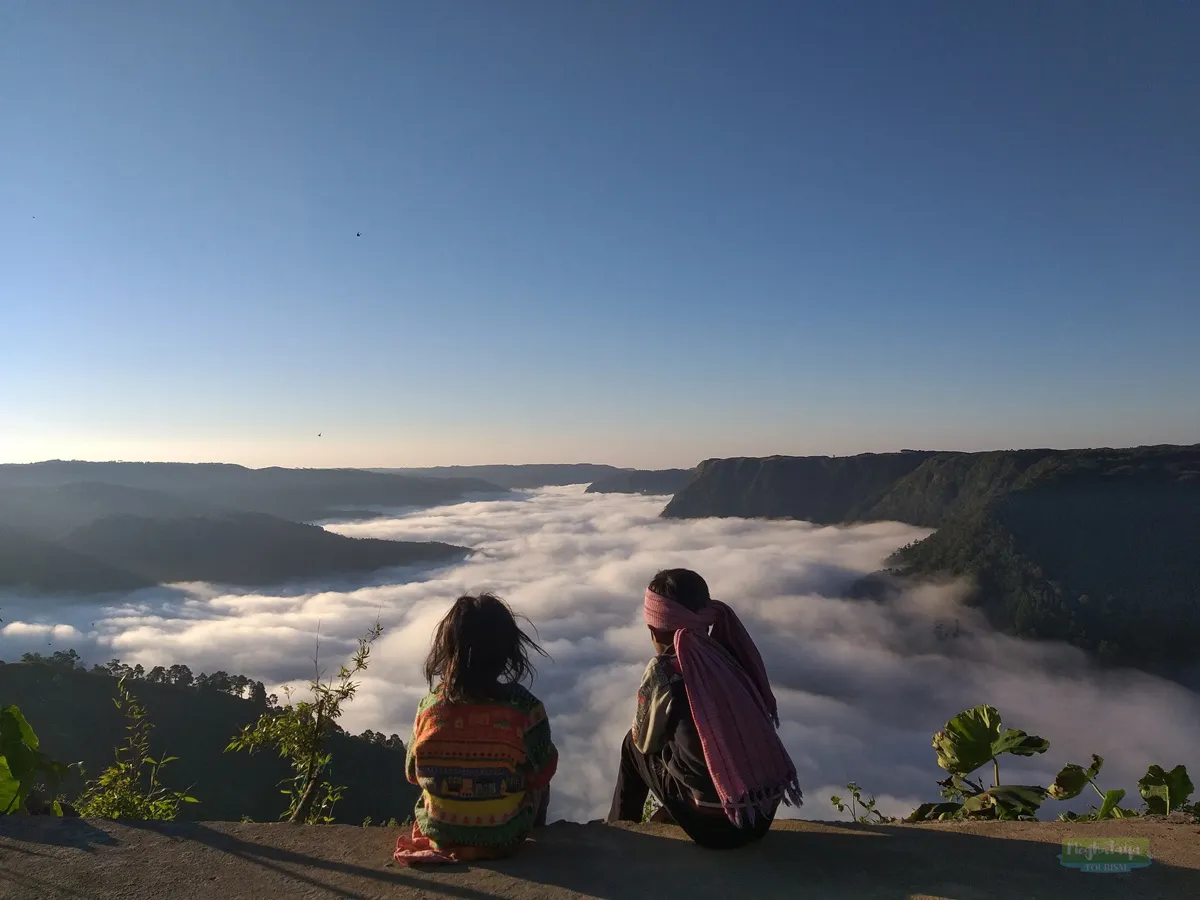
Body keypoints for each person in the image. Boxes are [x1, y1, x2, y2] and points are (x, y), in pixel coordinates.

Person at [608, 568, 802, 848]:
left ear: (653, 627)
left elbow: (645, 742)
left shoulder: (666, 670)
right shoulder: (729, 653)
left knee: (631, 746)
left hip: (718, 828)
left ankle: (620, 832)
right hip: (759, 817)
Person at [394, 592, 558, 865]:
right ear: (507, 652)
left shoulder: (429, 708)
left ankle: (455, 826)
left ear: (448, 650)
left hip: (440, 834)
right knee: (539, 775)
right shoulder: (525, 710)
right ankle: (534, 832)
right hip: (505, 838)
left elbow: (412, 773)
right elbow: (542, 773)